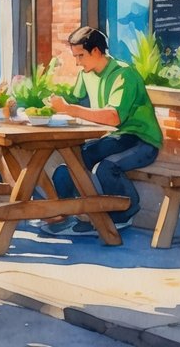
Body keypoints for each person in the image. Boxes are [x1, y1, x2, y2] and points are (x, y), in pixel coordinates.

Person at [41, 27, 162, 237]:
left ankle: (124, 213)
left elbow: (114, 117)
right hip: (113, 138)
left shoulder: (124, 74)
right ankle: (68, 216)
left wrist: (69, 109)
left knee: (105, 168)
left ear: (96, 51)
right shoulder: (87, 74)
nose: (78, 62)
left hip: (140, 140)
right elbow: (74, 98)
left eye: (80, 56)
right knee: (69, 165)